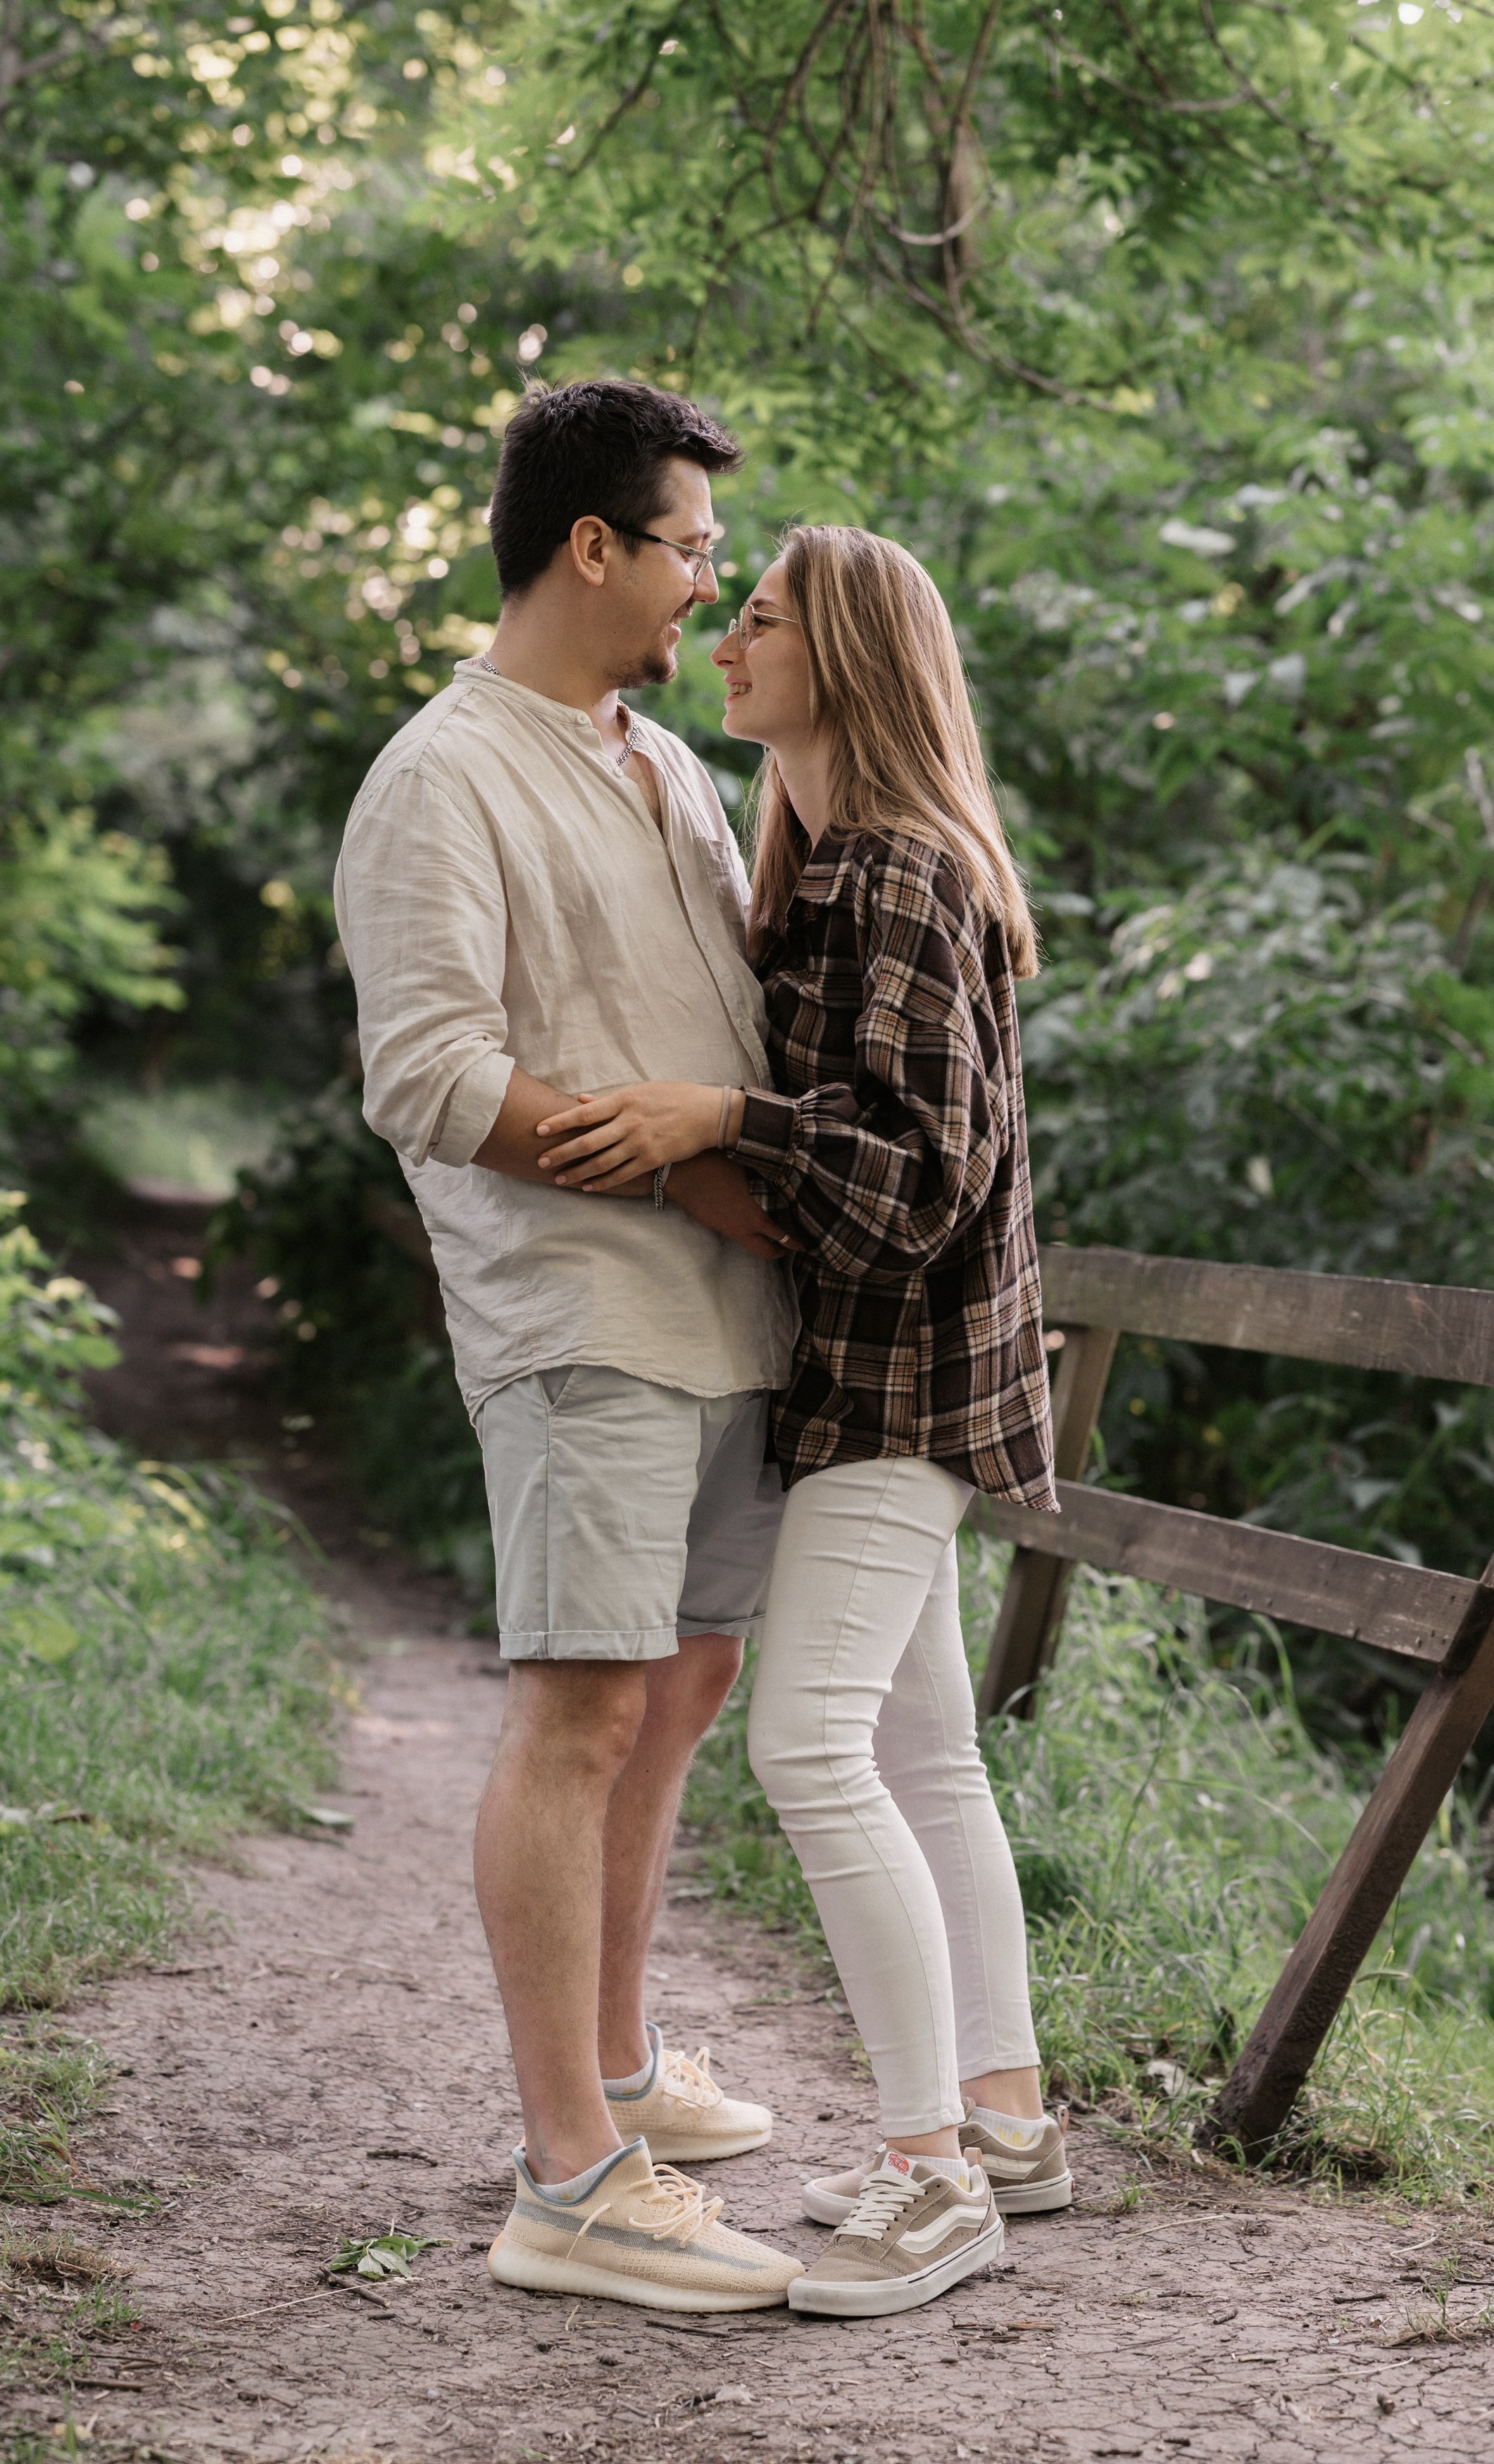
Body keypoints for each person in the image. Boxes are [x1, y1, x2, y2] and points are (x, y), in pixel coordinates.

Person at [537, 524, 1067, 2320]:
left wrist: (717, 1120)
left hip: (899, 1380)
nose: (722, 637)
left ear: (841, 652)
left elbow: (923, 1177)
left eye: (754, 617)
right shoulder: (836, 866)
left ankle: (930, 2175)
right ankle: (1004, 2123)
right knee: (921, 1748)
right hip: (876, 1370)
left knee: (811, 1747)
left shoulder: (902, 867)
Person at [333, 379, 808, 2313]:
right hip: (583, 1315)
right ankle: (570, 2179)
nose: (711, 580)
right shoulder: (442, 776)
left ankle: (617, 2065)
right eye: (693, 546)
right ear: (592, 545)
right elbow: (430, 1074)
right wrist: (679, 1167)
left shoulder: (665, 762)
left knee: (681, 1686)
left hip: (728, 1312)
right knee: (582, 1708)